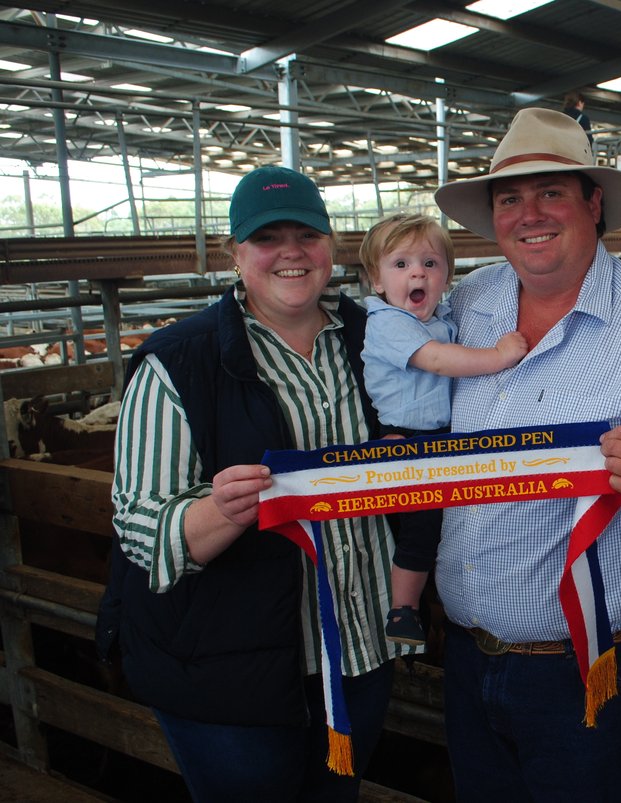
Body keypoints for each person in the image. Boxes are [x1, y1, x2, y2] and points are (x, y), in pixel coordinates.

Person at [432, 107, 621, 801]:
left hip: (592, 670)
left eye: (552, 193)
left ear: (594, 204)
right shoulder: (466, 306)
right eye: (509, 197)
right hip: (466, 656)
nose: (529, 213)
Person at [107, 165, 397, 802]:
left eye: (306, 234)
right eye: (268, 238)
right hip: (228, 673)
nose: (291, 252)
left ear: (332, 245)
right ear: (234, 254)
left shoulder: (381, 341)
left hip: (358, 656)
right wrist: (221, 510)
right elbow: (140, 529)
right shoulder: (178, 362)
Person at [359, 213, 527, 649]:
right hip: (406, 437)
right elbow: (436, 361)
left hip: (438, 437)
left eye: (430, 265)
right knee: (418, 527)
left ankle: (425, 603)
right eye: (400, 265)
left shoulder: (439, 317)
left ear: (446, 277)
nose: (418, 272)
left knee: (437, 526)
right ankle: (403, 610)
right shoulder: (388, 323)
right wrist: (499, 355)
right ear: (376, 281)